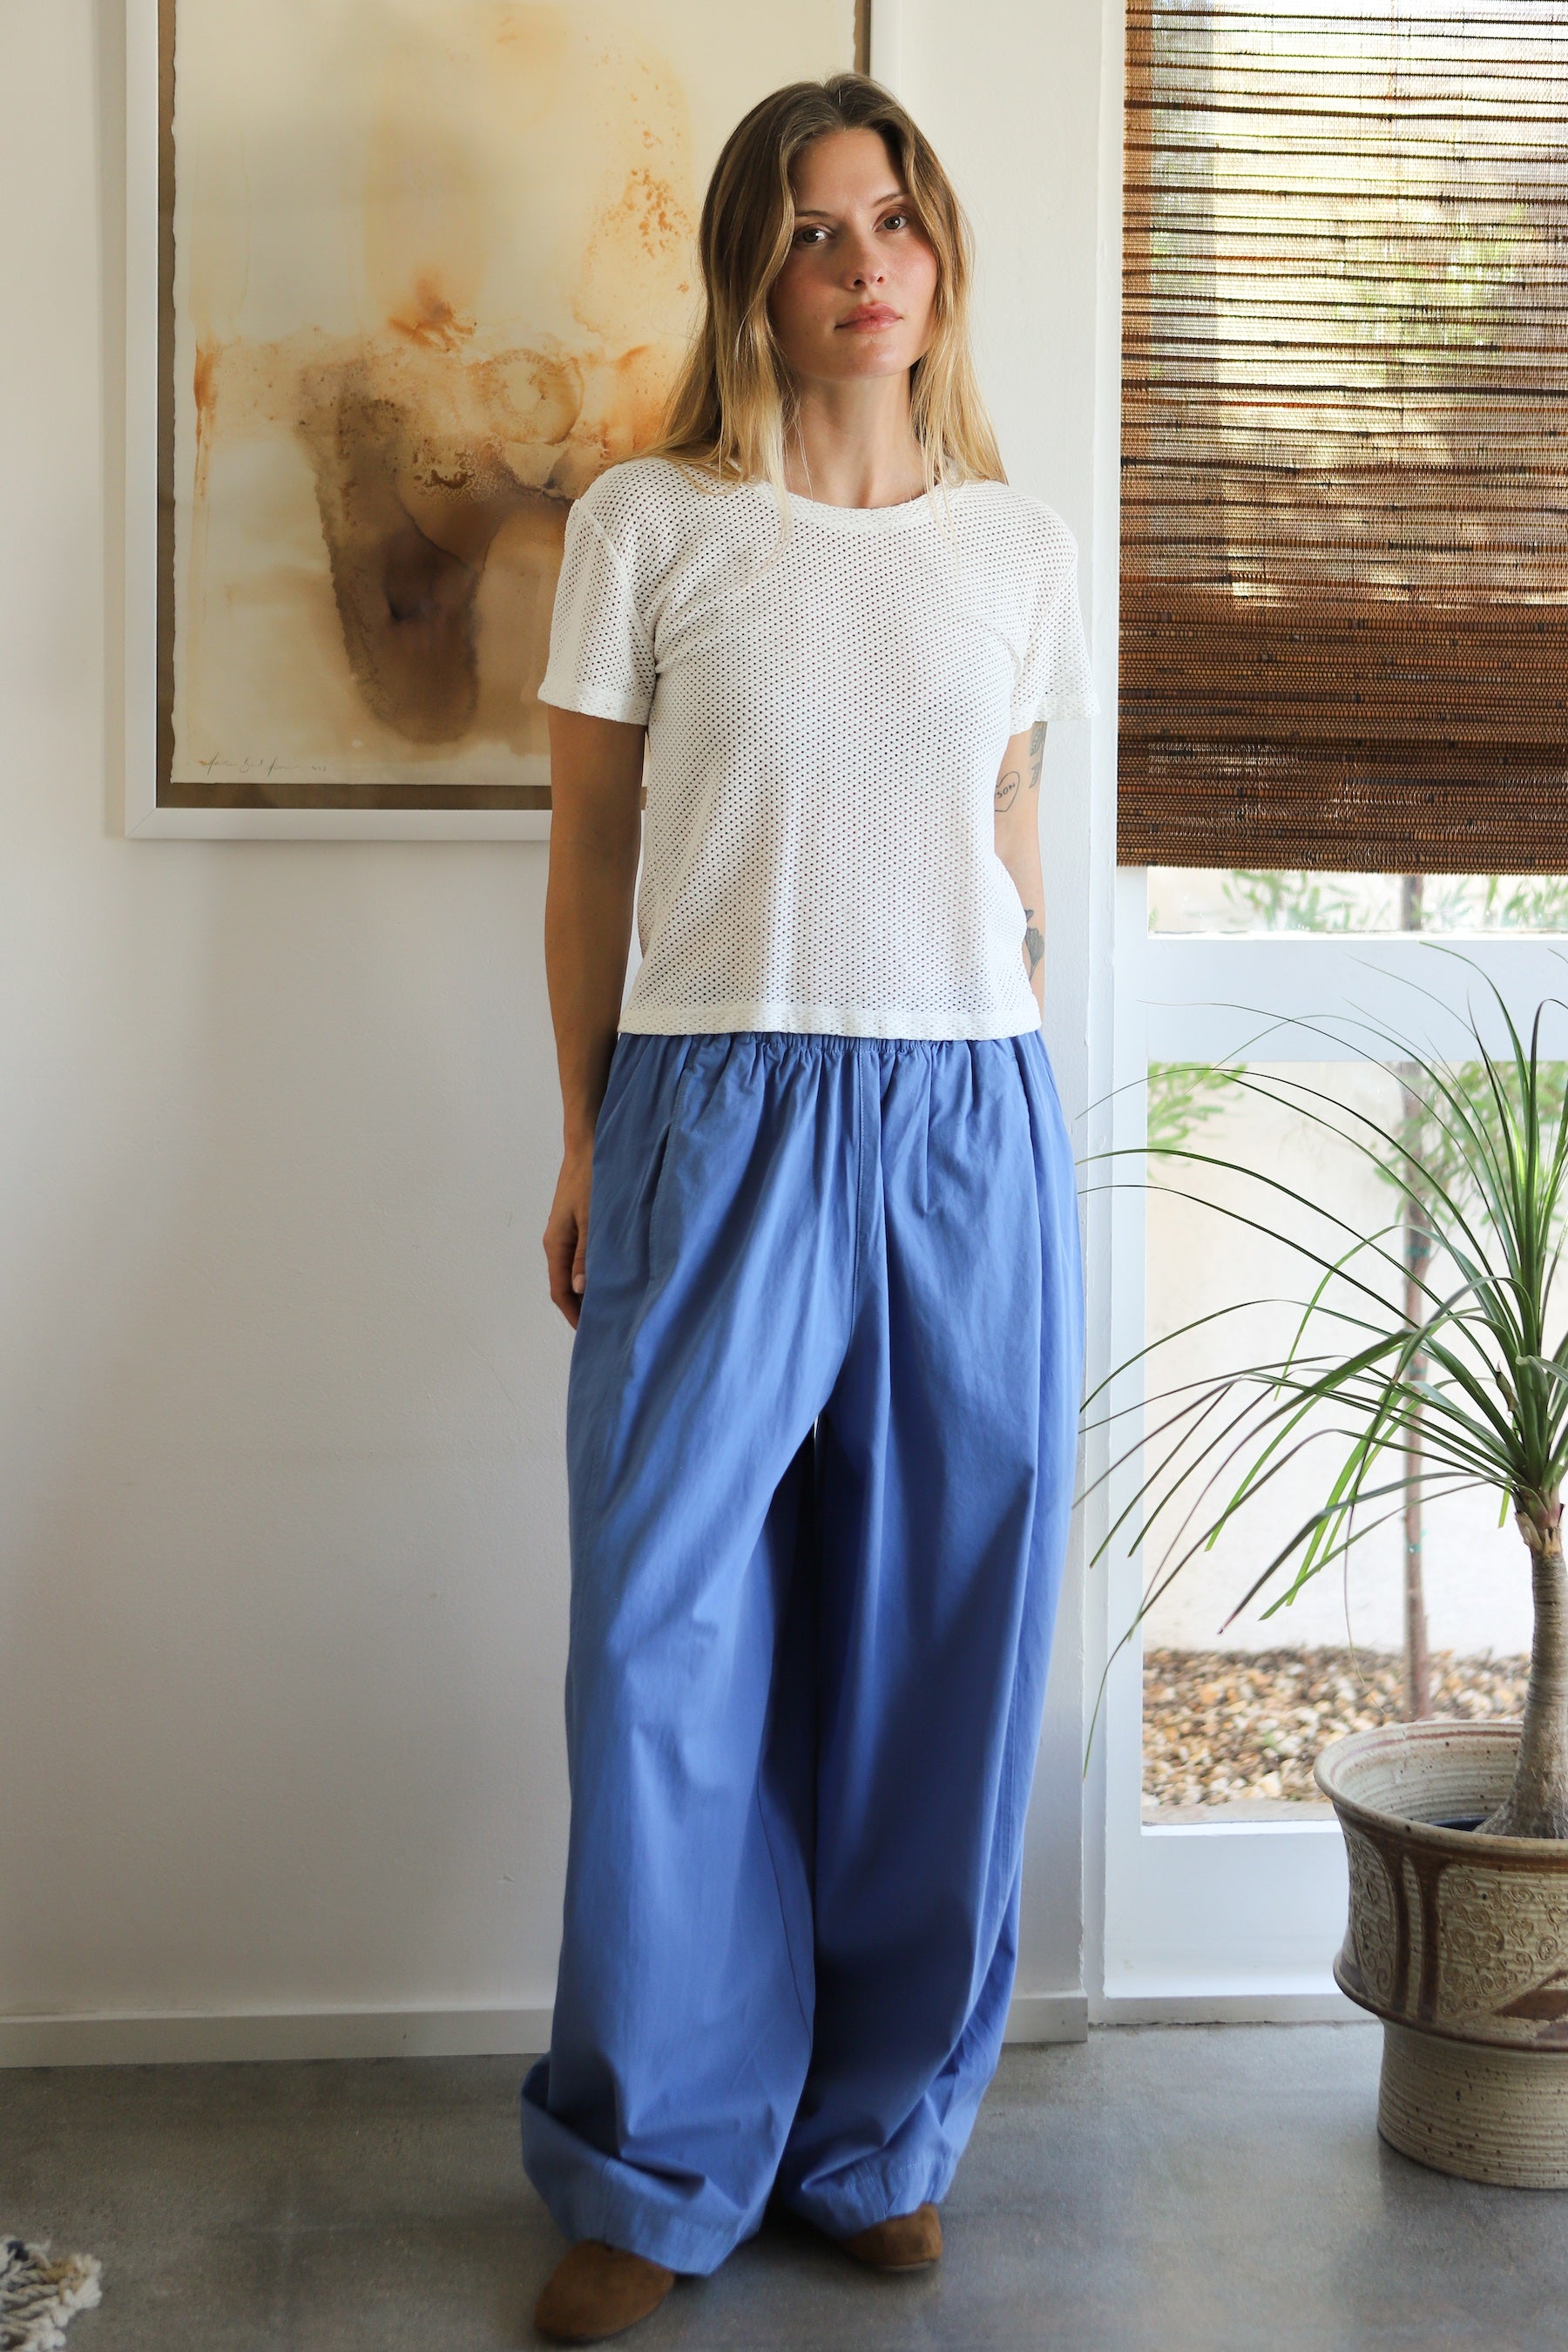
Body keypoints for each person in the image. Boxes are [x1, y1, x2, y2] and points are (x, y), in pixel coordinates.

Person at [521, 69, 1097, 2345]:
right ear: (752, 273)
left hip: (965, 1113)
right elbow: (586, 853)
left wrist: (1009, 1035)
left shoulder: (1018, 548)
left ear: (943, 253)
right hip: (712, 1097)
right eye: (816, 231)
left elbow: (1010, 835)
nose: (868, 268)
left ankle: (877, 2139)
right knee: (659, 1641)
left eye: (896, 222)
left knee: (943, 1631)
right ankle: (656, 2159)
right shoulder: (650, 526)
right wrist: (587, 1134)